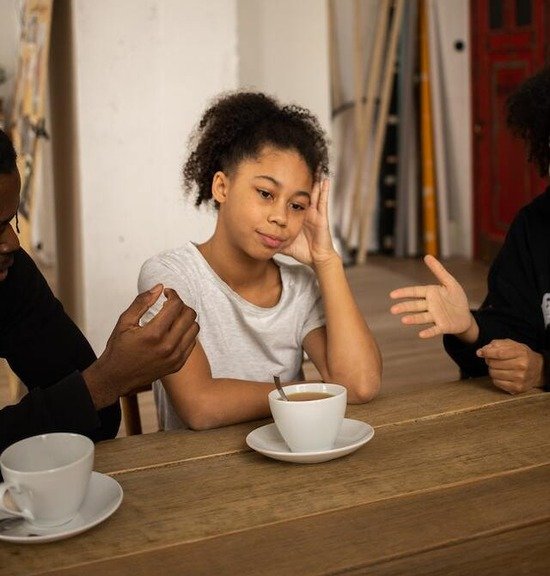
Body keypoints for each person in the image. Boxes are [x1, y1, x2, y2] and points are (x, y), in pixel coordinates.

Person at [139, 91, 381, 431]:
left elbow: (359, 385)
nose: (281, 217)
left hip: (292, 462)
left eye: (297, 205)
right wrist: (310, 393)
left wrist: (326, 261)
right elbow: (201, 406)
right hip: (201, 474)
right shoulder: (170, 276)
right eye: (266, 194)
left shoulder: (300, 287)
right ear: (222, 187)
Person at [0, 128, 199, 454]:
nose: (12, 242)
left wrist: (107, 378)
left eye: (12, 221)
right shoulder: (168, 270)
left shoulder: (13, 277)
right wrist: (101, 384)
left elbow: (100, 422)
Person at [389, 65, 550, 394]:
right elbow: (514, 334)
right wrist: (471, 328)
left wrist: (546, 370)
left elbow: (538, 367)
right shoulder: (533, 226)